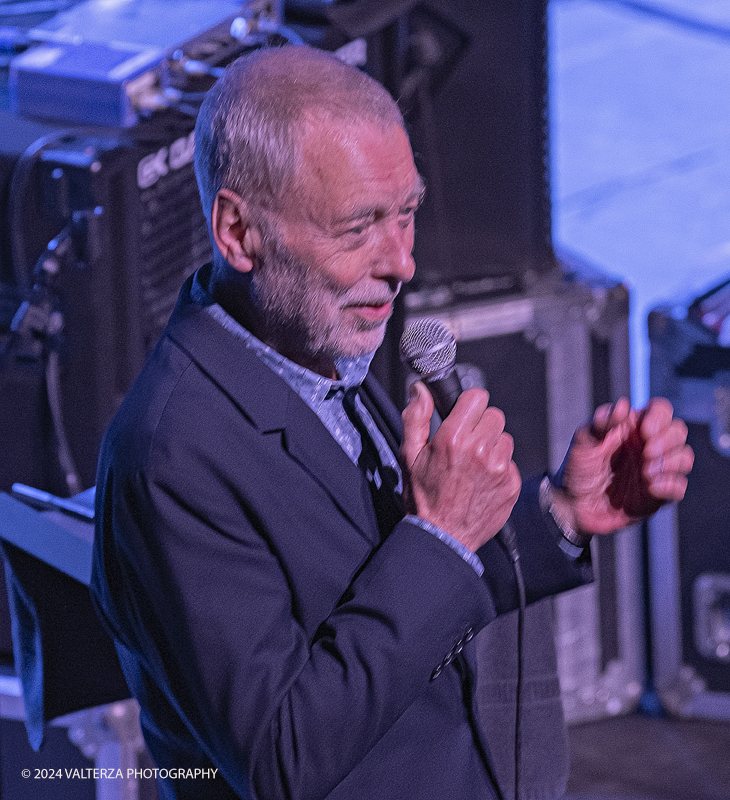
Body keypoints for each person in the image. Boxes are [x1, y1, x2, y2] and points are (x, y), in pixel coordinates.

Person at [89, 45, 693, 800]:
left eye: (406, 213)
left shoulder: (315, 342)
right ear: (239, 234)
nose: (402, 261)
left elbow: (396, 598)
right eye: (357, 228)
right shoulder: (172, 456)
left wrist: (562, 513)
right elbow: (282, 759)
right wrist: (440, 535)